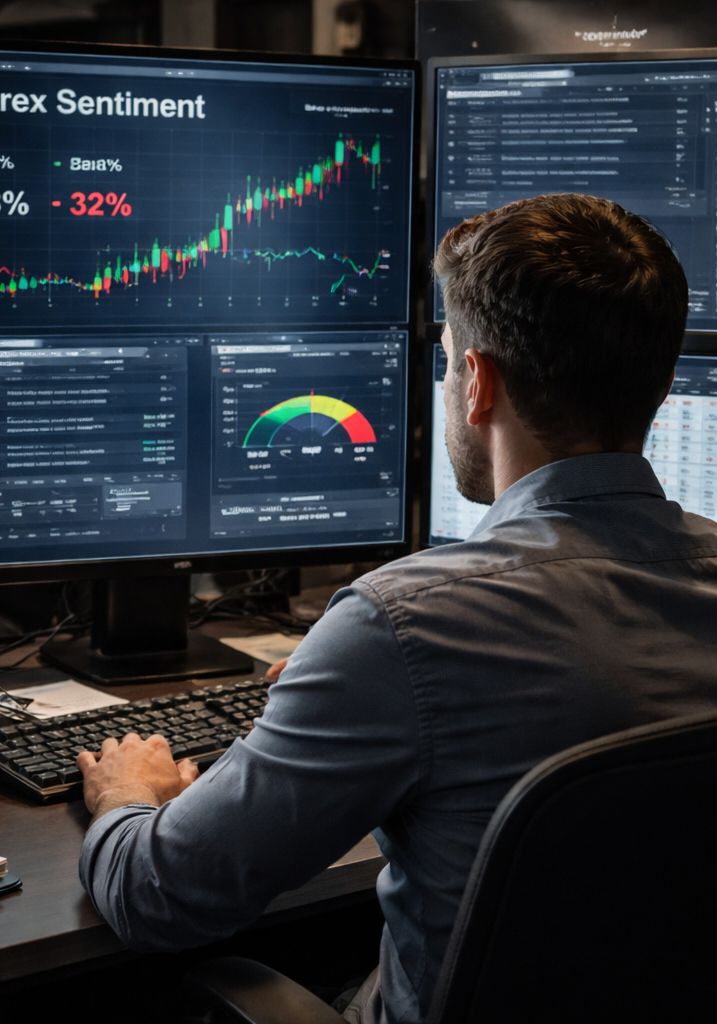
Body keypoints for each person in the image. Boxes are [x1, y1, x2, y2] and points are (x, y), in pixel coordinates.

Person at [76, 194, 717, 1024]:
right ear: (662, 383)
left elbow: (161, 899)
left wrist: (128, 795)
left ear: (478, 383)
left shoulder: (408, 624)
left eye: (449, 361)